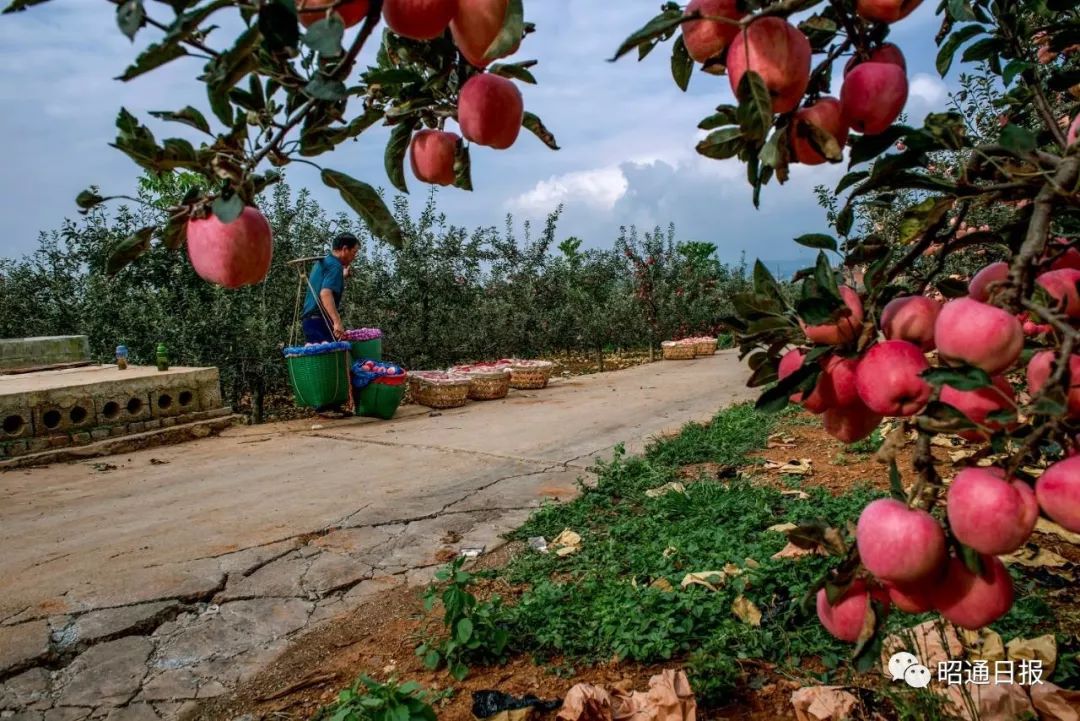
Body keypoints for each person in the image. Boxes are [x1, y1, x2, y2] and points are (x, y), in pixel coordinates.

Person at [302, 233, 360, 344]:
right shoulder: (335, 266)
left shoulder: (325, 261)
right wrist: (337, 321)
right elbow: (325, 293)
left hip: (310, 320)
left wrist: (341, 276)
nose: (355, 256)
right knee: (329, 359)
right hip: (320, 320)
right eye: (354, 252)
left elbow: (324, 284)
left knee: (318, 357)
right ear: (345, 249)